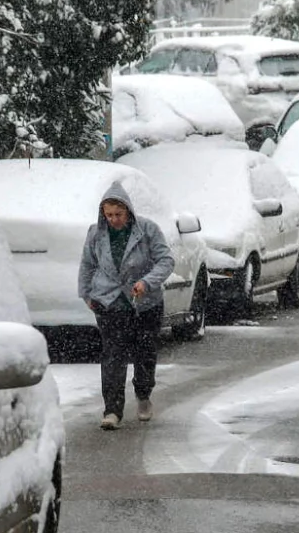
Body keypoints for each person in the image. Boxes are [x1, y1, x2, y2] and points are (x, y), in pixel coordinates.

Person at [78, 181, 175, 430]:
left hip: (144, 303)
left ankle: (143, 395)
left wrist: (147, 282)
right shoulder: (95, 234)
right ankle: (112, 410)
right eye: (108, 215)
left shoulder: (148, 230)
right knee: (113, 355)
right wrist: (86, 294)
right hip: (109, 302)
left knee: (145, 352)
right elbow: (87, 265)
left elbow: (166, 260)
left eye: (118, 214)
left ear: (128, 211)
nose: (113, 219)